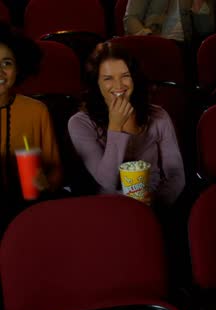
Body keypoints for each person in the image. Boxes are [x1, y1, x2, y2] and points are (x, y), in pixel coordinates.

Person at [68, 41, 185, 209]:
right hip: (108, 209)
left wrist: (156, 200)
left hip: (155, 206)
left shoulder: (158, 116)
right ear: (97, 83)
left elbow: (176, 175)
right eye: (108, 78)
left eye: (125, 76)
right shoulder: (80, 123)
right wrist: (115, 127)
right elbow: (108, 181)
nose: (119, 85)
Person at [0, 23, 63, 227]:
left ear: (18, 68)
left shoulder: (37, 111)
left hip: (30, 212)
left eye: (6, 63)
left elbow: (56, 172)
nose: (0, 72)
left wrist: (46, 183)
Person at [123, 0, 214, 42]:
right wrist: (147, 37)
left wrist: (198, 3)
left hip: (184, 47)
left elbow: (205, 30)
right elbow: (130, 18)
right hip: (153, 41)